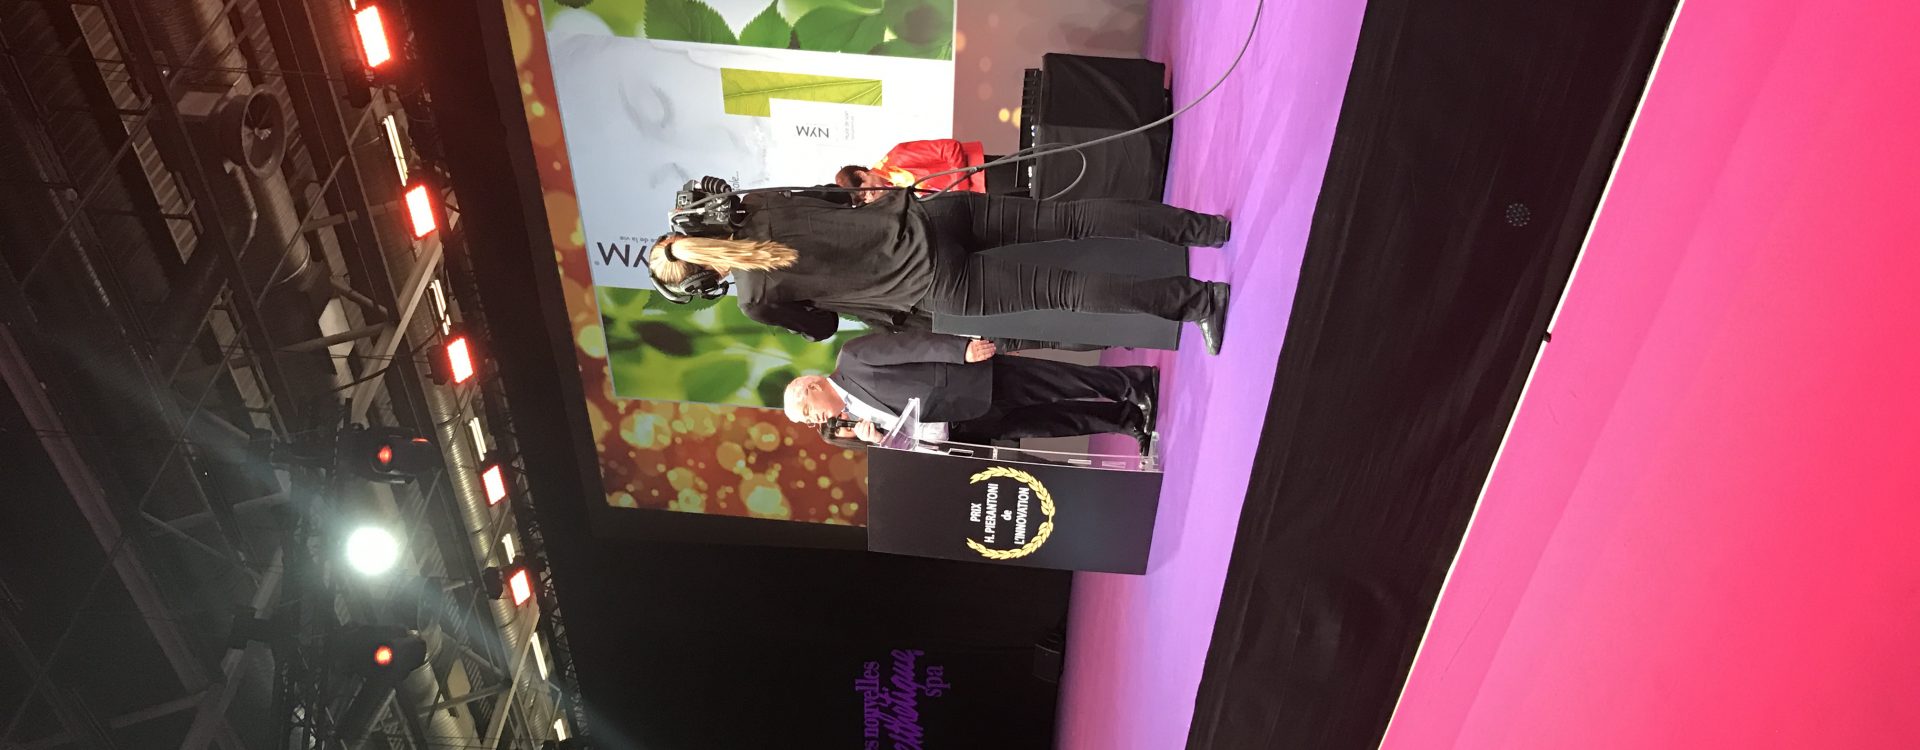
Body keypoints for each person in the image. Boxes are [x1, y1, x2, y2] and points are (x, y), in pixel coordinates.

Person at [646, 189, 1234, 354]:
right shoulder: (755, 204)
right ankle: (1205, 228)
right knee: (1072, 218)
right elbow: (836, 196)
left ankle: (1199, 301)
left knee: (1068, 289)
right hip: (933, 214)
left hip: (929, 283)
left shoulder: (754, 297)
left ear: (699, 282)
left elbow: (823, 327)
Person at [783, 331, 1159, 452]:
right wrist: (879, 439)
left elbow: (908, 345)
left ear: (812, 386)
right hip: (963, 425)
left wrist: (958, 349)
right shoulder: (854, 420)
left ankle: (1134, 383)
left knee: (1058, 381)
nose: (814, 420)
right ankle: (1125, 420)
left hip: (966, 380)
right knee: (1051, 423)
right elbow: (909, 439)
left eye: (807, 411)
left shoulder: (851, 359)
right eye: (807, 422)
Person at [836, 138, 989, 202]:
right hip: (978, 199)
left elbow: (950, 148)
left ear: (861, 174)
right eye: (863, 200)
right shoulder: (894, 195)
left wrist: (960, 194)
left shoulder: (897, 157)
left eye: (864, 192)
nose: (869, 197)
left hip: (983, 175)